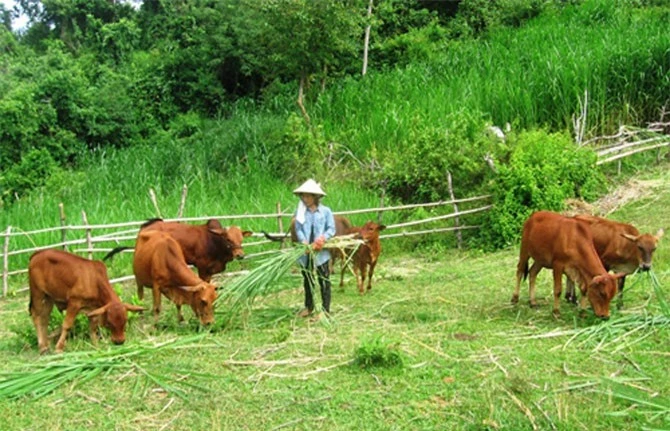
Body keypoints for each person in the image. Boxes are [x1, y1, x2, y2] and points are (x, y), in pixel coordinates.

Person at [293, 179, 336, 321]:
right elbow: (298, 229)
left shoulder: (325, 212)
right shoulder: (300, 212)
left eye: (308, 196)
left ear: (315, 197)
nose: (305, 199)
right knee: (307, 279)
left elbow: (331, 229)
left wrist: (322, 239)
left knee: (323, 279)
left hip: (321, 252)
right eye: (303, 196)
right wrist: (304, 241)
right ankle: (309, 306)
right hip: (306, 252)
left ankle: (325, 310)